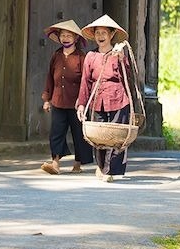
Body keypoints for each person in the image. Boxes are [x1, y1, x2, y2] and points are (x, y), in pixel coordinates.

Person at [76, 14, 135, 182]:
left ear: (111, 35)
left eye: (104, 33)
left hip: (118, 98)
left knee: (117, 137)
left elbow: (128, 76)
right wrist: (81, 104)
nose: (100, 36)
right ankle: (102, 167)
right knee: (99, 136)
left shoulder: (119, 55)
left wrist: (121, 58)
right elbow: (85, 82)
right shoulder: (90, 56)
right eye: (97, 33)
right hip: (97, 100)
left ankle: (111, 171)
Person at [40, 19, 94, 175]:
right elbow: (50, 77)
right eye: (63, 35)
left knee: (78, 134)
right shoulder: (56, 55)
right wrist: (46, 99)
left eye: (69, 35)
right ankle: (55, 163)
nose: (65, 38)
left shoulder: (81, 57)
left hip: (77, 103)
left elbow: (86, 80)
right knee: (56, 132)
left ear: (76, 38)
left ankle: (78, 163)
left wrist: (83, 101)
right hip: (58, 100)